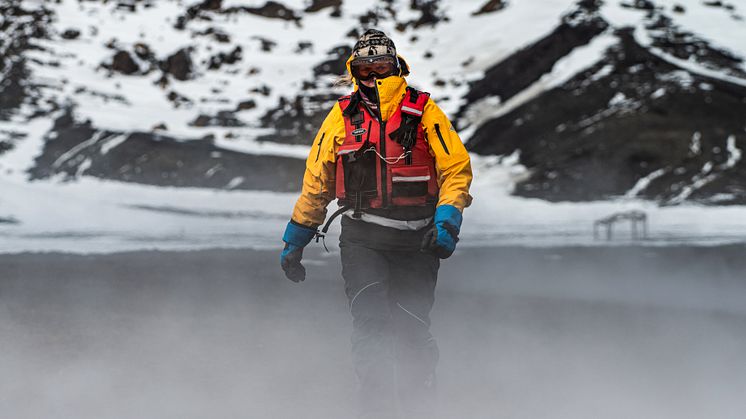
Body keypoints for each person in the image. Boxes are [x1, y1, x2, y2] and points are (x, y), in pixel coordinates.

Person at [280, 29, 473, 418]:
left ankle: (420, 402)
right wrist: (295, 240)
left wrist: (447, 223)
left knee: (412, 328)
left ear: (397, 66)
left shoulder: (424, 112)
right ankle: (376, 406)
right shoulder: (340, 118)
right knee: (370, 323)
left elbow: (456, 168)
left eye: (381, 66)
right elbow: (317, 180)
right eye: (364, 67)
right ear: (354, 70)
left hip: (420, 239)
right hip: (362, 236)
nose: (373, 74)